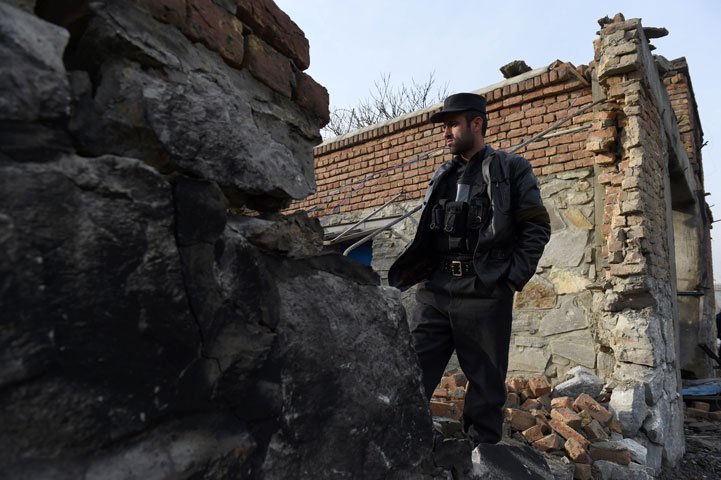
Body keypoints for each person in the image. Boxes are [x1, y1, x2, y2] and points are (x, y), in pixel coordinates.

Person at [388, 93, 551, 445]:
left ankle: (482, 455)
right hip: (436, 289)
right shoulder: (442, 174)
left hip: (484, 290)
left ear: (476, 123)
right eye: (445, 127)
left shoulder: (510, 168)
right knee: (412, 369)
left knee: (486, 385)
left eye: (452, 125)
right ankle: (403, 446)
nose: (446, 133)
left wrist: (510, 279)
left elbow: (536, 226)